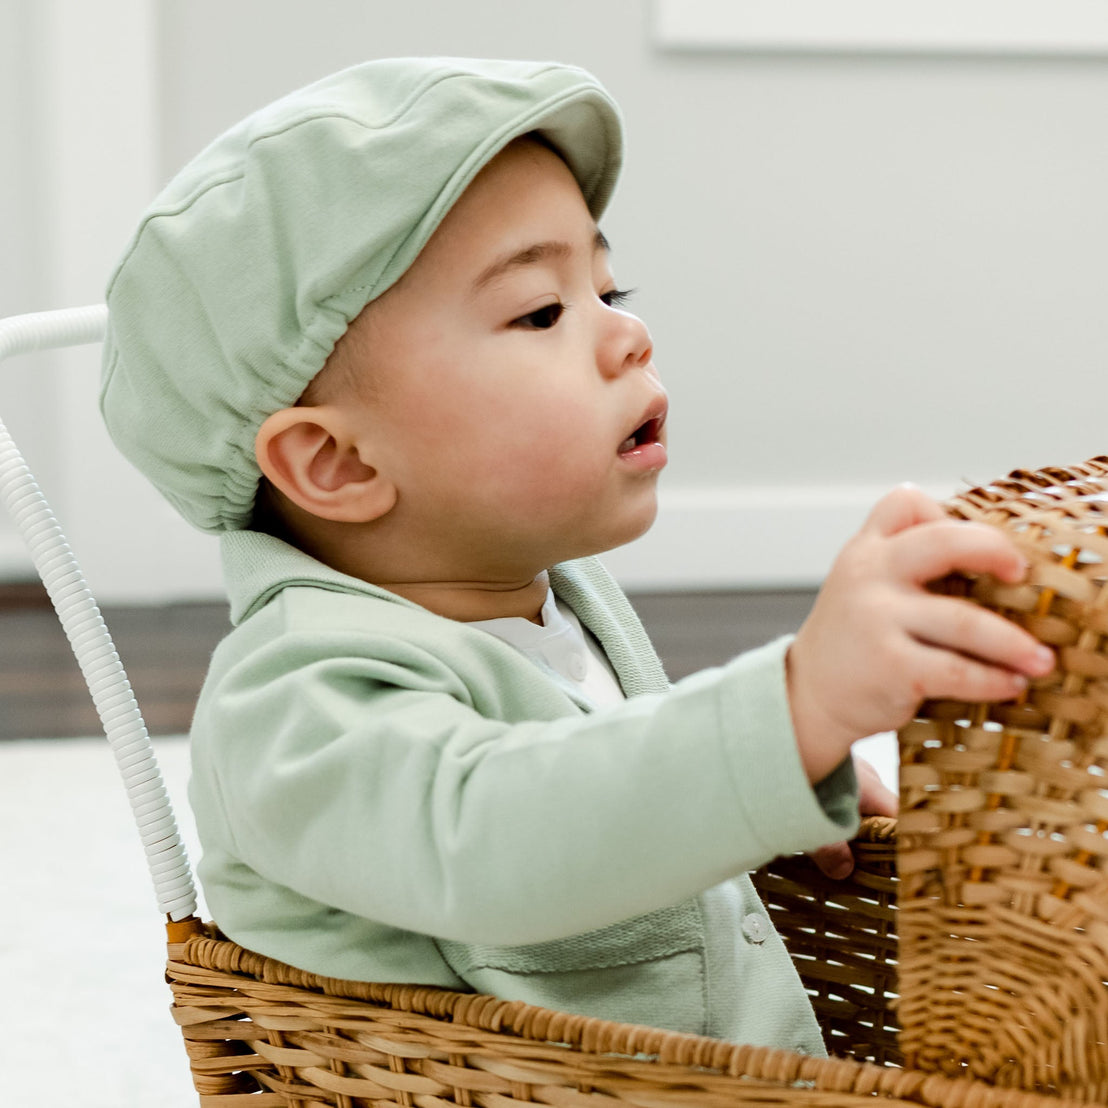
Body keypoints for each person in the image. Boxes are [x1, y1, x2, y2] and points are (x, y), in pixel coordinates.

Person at [99, 57, 1053, 1055]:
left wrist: (776, 781)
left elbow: (610, 788)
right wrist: (789, 707)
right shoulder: (290, 705)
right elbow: (501, 834)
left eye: (608, 287)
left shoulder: (554, 601)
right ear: (336, 461)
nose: (629, 334)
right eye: (541, 312)